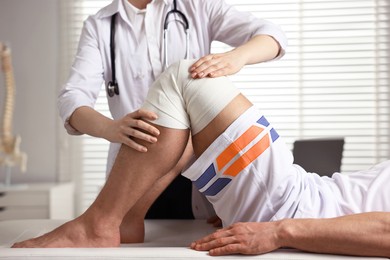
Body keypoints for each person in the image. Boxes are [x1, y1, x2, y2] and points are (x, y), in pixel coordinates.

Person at [13, 60, 390, 257]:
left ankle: (100, 225)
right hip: (301, 196)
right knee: (191, 135)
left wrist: (277, 230)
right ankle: (125, 221)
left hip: (292, 207)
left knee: (184, 78)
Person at [57, 0, 287, 235]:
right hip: (134, 171)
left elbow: (273, 36)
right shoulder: (100, 25)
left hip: (196, 181)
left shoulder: (197, 7)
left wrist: (236, 57)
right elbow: (72, 98)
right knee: (123, 239)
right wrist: (110, 128)